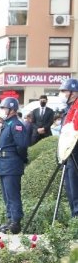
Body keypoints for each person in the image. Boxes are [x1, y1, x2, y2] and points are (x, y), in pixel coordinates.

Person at [0, 97, 29, 234]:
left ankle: (15, 222)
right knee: (6, 195)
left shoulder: (16, 125)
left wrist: (20, 160)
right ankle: (10, 220)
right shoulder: (7, 124)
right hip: (4, 165)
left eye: (4, 108)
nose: (2, 111)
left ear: (12, 110)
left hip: (11, 164)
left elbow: (21, 146)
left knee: (12, 194)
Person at [58, 78, 78, 217]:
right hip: (67, 156)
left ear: (74, 93)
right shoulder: (67, 110)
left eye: (65, 91)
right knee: (70, 192)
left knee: (76, 193)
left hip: (75, 155)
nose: (62, 94)